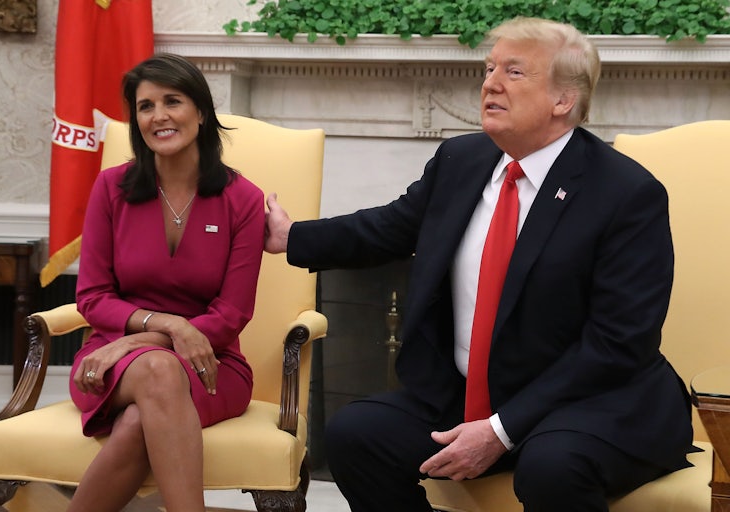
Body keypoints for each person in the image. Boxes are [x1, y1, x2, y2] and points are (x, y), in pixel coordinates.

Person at [265, 16, 693, 512]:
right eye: (489, 68)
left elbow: (618, 344)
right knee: (356, 435)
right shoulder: (462, 160)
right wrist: (290, 237)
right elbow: (391, 226)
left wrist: (500, 430)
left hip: (587, 404)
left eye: (514, 72)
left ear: (563, 100)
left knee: (551, 468)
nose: (489, 82)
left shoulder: (625, 194)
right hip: (467, 395)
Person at [68, 53, 265, 512]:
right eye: (145, 106)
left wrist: (145, 339)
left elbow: (233, 314)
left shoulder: (244, 199)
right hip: (107, 362)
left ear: (200, 110)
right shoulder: (110, 188)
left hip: (210, 364)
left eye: (172, 101)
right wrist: (171, 327)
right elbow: (92, 298)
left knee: (142, 414)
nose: (158, 116)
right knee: (156, 370)